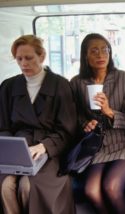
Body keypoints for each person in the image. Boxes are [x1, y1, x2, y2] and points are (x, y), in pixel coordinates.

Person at [0, 35, 77, 214]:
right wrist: (13, 148)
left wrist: (44, 146)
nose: (23, 63)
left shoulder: (60, 85)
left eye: (29, 58)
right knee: (5, 186)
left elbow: (67, 130)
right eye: (19, 59)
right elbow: (2, 126)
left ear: (41, 56)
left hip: (50, 151)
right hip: (17, 149)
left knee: (27, 187)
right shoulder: (8, 86)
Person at [70, 33, 125, 214]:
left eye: (105, 50)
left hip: (123, 143)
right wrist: (85, 124)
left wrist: (109, 111)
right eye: (94, 51)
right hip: (95, 145)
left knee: (112, 187)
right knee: (91, 191)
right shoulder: (76, 83)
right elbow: (75, 117)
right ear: (85, 55)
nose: (101, 55)